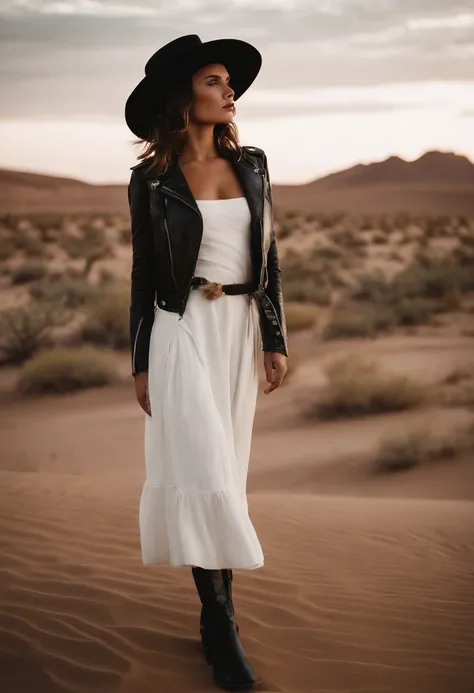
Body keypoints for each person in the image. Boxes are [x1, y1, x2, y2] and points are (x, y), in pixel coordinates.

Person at [124, 34, 289, 691]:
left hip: (237, 330)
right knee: (203, 466)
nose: (230, 92)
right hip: (180, 329)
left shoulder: (253, 164)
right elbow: (142, 274)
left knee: (228, 467)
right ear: (182, 95)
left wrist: (274, 335)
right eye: (215, 81)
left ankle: (216, 615)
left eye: (229, 83)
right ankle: (220, 624)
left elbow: (270, 257)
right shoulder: (151, 180)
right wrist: (139, 360)